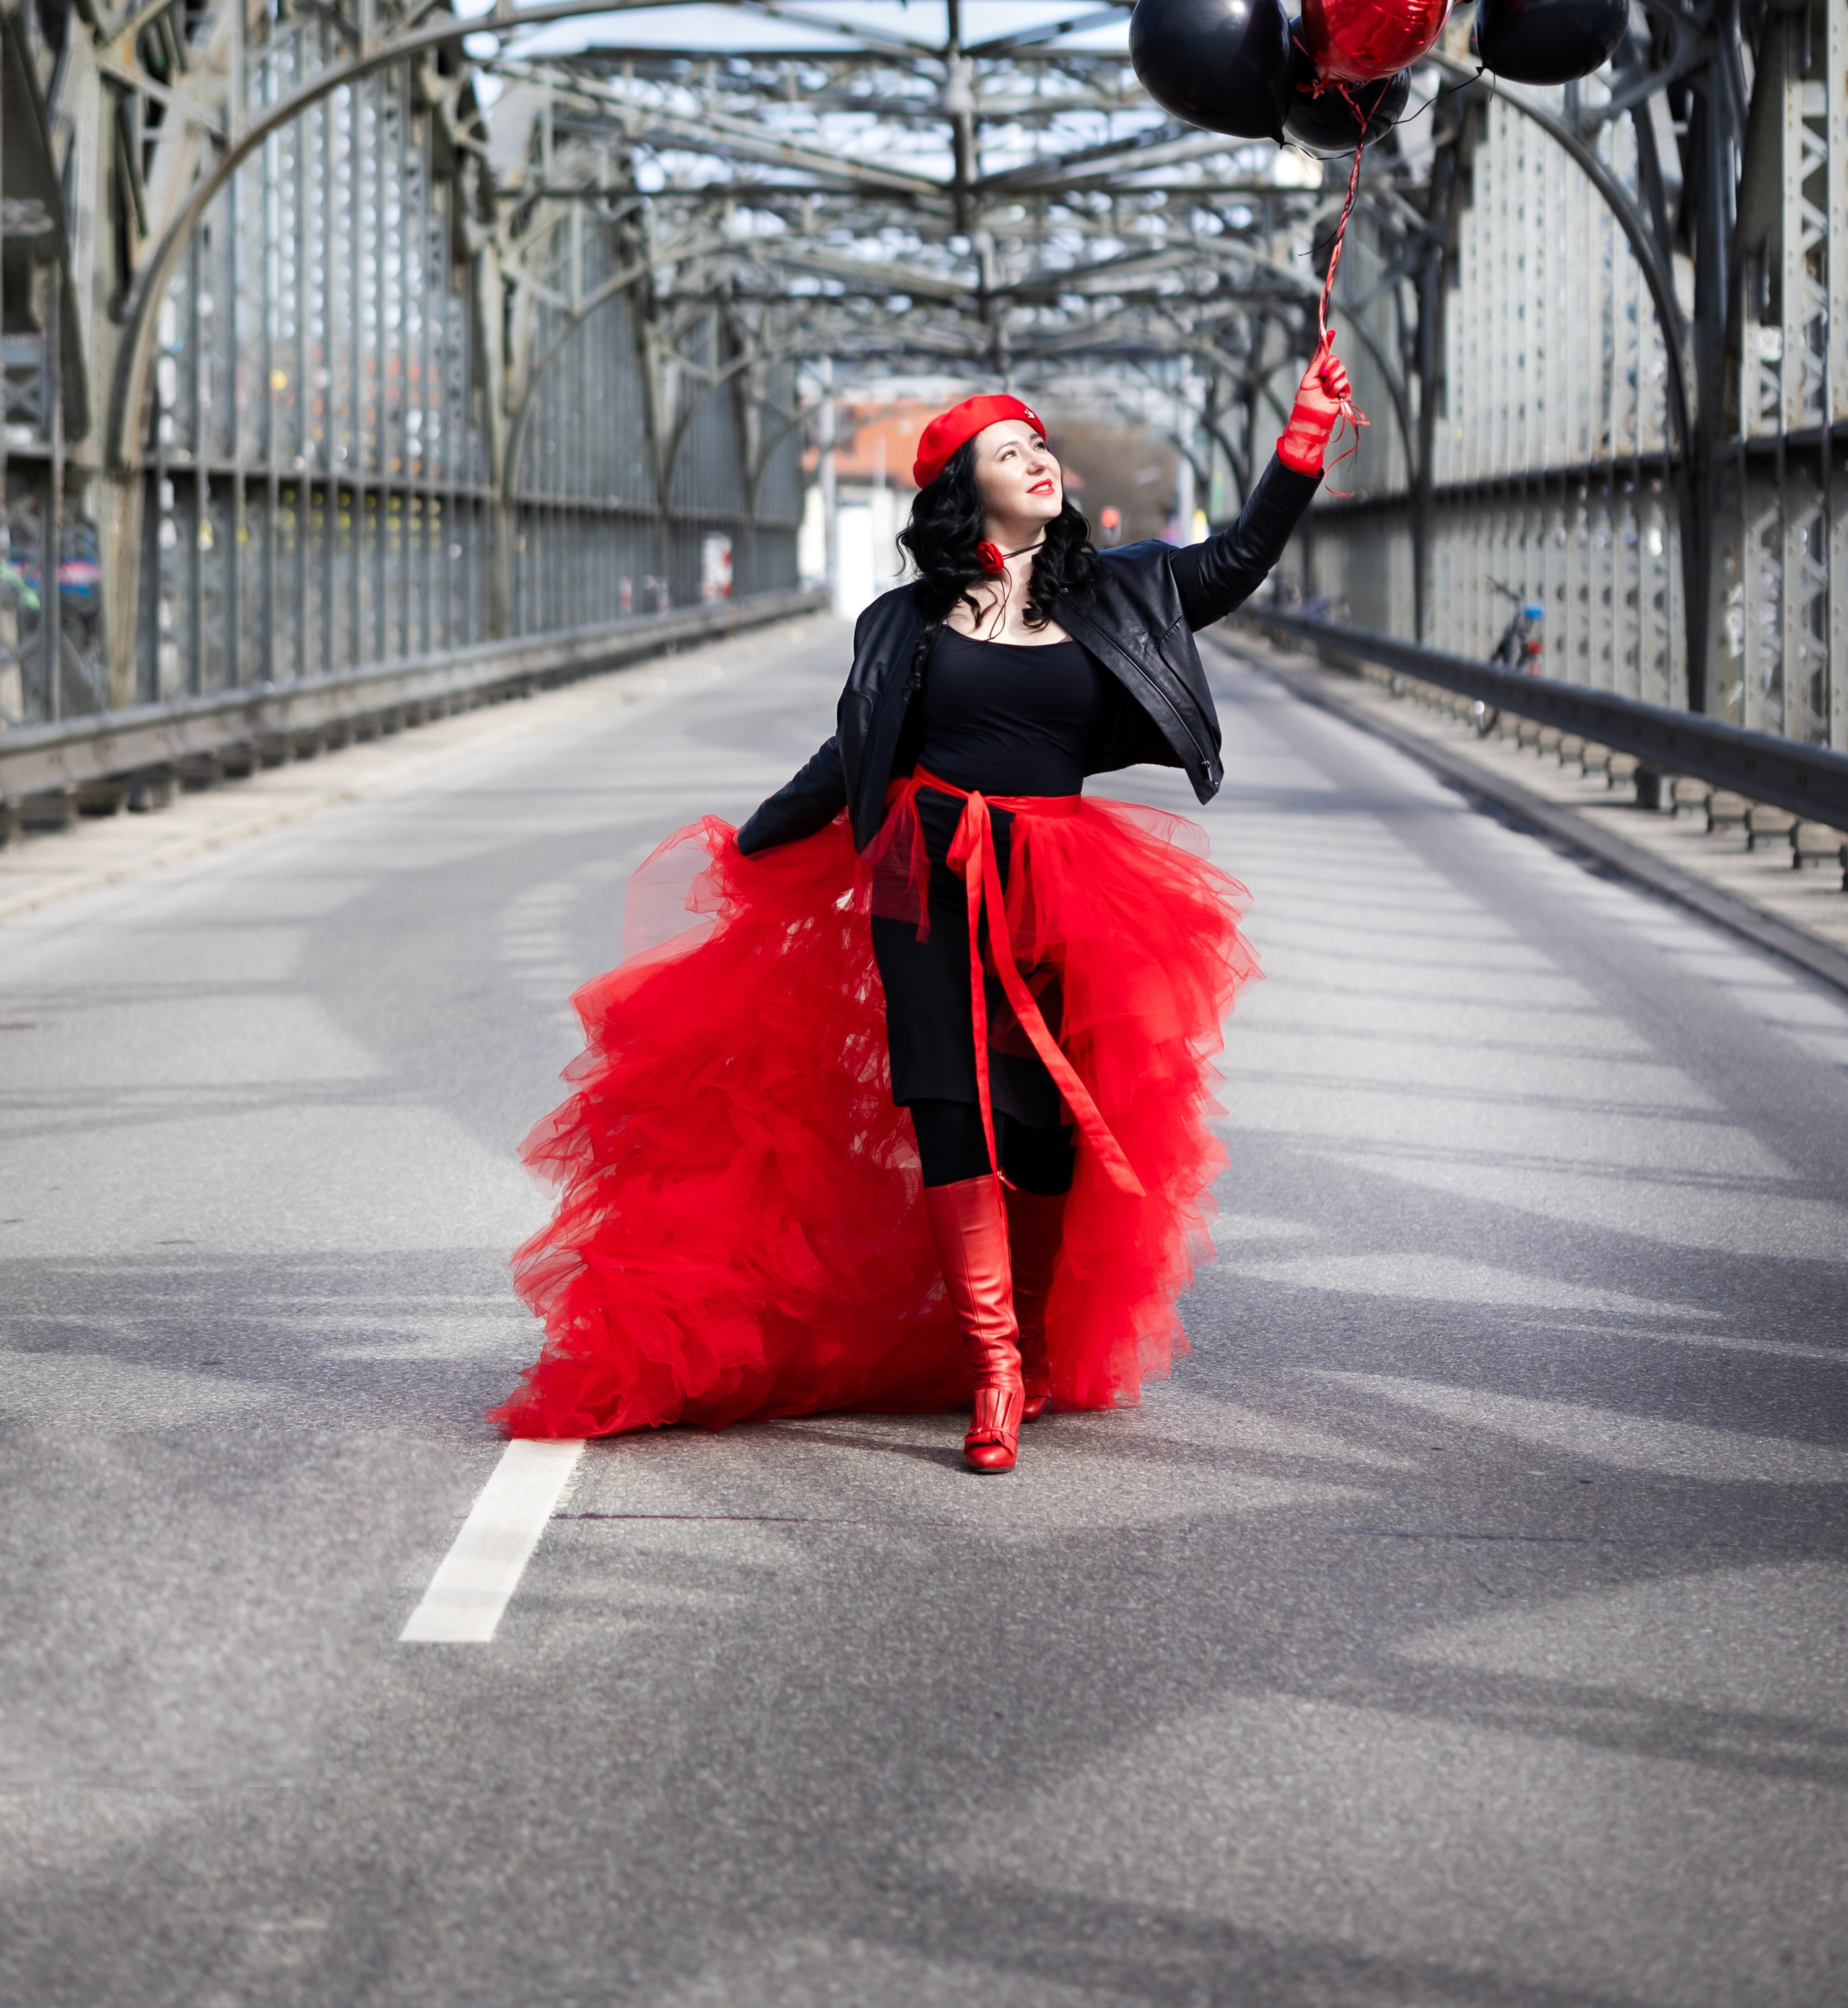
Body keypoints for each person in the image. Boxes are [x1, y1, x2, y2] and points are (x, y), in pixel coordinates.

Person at [495, 339, 1356, 1472]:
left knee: (1045, 1127)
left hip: (1065, 880)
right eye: (1014, 449)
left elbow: (1240, 556)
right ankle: (994, 1371)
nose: (1041, 459)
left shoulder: (1124, 588)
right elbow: (848, 748)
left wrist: (1301, 439)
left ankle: (1039, 1346)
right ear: (964, 488)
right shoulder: (899, 624)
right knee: (952, 1110)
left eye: (1042, 443)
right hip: (927, 874)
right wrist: (757, 840)